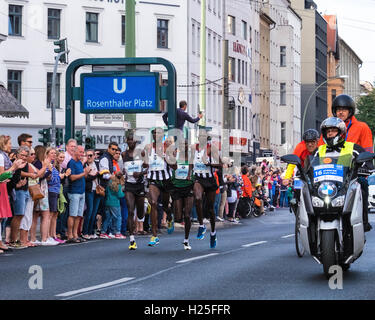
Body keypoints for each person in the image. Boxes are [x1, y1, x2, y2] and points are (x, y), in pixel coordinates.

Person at [314, 117, 373, 232]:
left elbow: (368, 163)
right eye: (328, 131)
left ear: (341, 132)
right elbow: (310, 167)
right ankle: (309, 224)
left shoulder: (353, 148)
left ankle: (364, 221)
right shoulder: (319, 150)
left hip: (347, 185)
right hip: (325, 187)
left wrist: (364, 169)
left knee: (362, 183)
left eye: (333, 130)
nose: (330, 133)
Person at [190, 128, 222, 248]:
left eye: (204, 137)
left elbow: (220, 164)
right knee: (197, 199)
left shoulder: (211, 148)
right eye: (200, 137)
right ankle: (201, 225)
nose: (201, 139)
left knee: (210, 209)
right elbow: (190, 162)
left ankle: (213, 233)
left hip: (209, 180)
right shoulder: (194, 148)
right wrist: (189, 175)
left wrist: (209, 164)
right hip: (198, 178)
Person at [144, 127, 175, 246]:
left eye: (159, 134)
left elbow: (175, 166)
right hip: (153, 179)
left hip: (166, 180)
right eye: (154, 134)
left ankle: (169, 216)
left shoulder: (168, 147)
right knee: (153, 203)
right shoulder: (148, 147)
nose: (156, 136)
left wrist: (167, 158)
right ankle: (154, 235)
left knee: (166, 205)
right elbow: (144, 163)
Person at [123, 133, 147, 250]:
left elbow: (148, 167)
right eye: (129, 140)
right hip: (129, 186)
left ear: (136, 142)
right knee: (131, 210)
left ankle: (141, 217)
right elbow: (122, 170)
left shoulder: (141, 153)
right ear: (127, 141)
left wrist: (140, 173)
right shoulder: (123, 155)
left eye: (132, 140)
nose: (131, 142)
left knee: (141, 212)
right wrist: (119, 174)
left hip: (140, 186)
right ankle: (132, 239)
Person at [30, 145, 57, 246]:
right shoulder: (38, 163)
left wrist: (48, 172)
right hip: (40, 190)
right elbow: (39, 176)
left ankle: (33, 238)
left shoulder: (37, 162)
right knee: (45, 214)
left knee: (35, 215)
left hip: (42, 189)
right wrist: (48, 169)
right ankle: (44, 238)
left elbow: (46, 178)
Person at [170, 139, 194, 250]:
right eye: (182, 144)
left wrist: (190, 175)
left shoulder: (191, 156)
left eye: (185, 144)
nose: (184, 146)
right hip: (177, 186)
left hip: (188, 186)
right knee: (178, 216)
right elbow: (171, 167)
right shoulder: (175, 156)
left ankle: (186, 240)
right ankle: (171, 218)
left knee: (187, 215)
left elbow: (193, 167)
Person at [66, 145, 91, 243]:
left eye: (82, 152)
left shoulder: (80, 163)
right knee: (72, 214)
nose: (82, 154)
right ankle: (70, 235)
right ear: (75, 151)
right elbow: (72, 177)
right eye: (80, 152)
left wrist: (86, 173)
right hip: (74, 192)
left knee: (79, 215)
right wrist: (84, 173)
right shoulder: (71, 163)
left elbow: (82, 176)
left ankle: (76, 234)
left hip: (81, 191)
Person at [45, 147, 64, 244]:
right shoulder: (47, 164)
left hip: (56, 191)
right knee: (50, 214)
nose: (53, 155)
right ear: (47, 153)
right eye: (51, 153)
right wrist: (60, 177)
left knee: (55, 214)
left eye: (54, 153)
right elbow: (51, 180)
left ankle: (53, 234)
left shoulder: (52, 165)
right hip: (51, 190)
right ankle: (48, 235)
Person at [82, 149, 99, 240]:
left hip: (97, 190)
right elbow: (87, 178)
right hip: (89, 190)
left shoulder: (97, 164)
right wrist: (95, 175)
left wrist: (95, 174)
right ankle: (85, 231)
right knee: (89, 210)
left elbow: (100, 174)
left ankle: (92, 231)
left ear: (94, 156)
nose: (89, 157)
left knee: (94, 212)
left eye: (91, 155)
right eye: (87, 155)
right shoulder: (85, 165)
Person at [102, 172, 125, 239]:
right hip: (115, 203)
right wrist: (124, 194)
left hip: (108, 202)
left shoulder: (109, 183)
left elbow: (106, 192)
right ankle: (117, 232)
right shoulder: (118, 185)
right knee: (118, 217)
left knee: (107, 218)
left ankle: (103, 232)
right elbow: (120, 195)